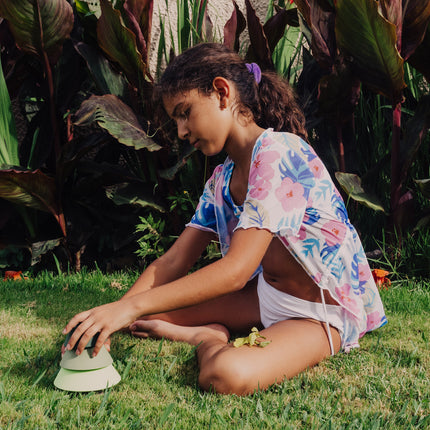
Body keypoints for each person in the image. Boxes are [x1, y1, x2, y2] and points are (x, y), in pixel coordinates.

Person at [63, 43, 387, 396]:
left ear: (222, 92)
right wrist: (116, 313)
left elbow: (236, 271)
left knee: (225, 374)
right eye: (176, 120)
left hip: (317, 313)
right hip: (265, 297)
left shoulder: (279, 153)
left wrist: (131, 307)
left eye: (184, 113)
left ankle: (207, 338)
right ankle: (203, 327)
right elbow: (172, 261)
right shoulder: (222, 180)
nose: (181, 131)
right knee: (142, 318)